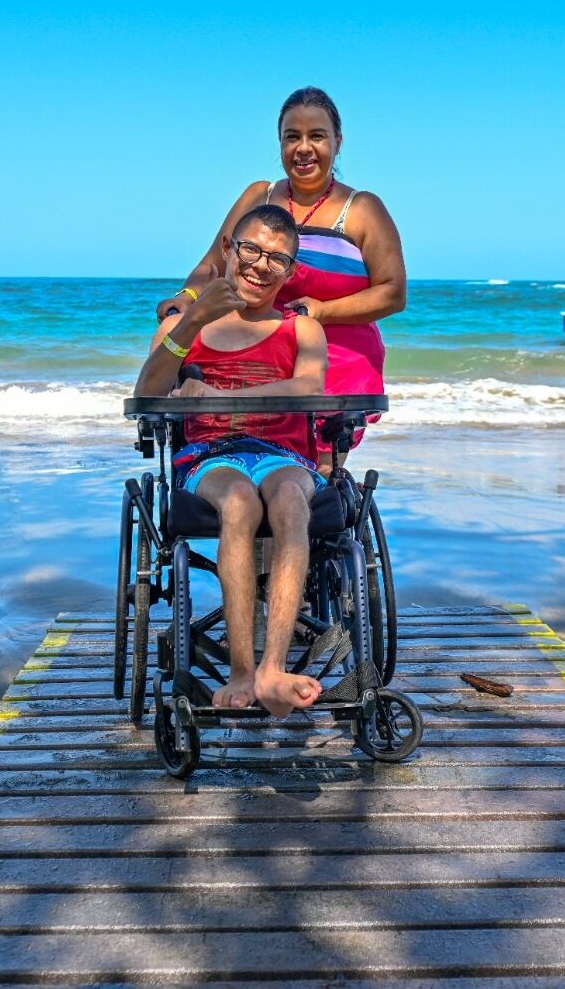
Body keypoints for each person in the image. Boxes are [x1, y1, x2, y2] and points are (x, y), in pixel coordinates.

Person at [135, 204, 329, 718]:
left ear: (290, 272)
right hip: (208, 457)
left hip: (283, 455)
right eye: (252, 249)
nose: (262, 265)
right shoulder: (184, 325)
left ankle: (273, 670)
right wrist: (193, 317)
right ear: (229, 250)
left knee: (289, 499)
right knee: (239, 502)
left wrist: (213, 395)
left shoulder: (302, 329)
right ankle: (242, 669)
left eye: (278, 259)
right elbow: (148, 392)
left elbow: (307, 387)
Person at [156, 87, 405, 470]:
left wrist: (322, 312)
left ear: (338, 141)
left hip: (338, 359)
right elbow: (212, 263)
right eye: (292, 137)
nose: (303, 148)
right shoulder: (260, 194)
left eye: (316, 136)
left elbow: (392, 292)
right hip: (261, 353)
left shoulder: (363, 209)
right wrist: (187, 298)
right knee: (241, 453)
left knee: (317, 480)